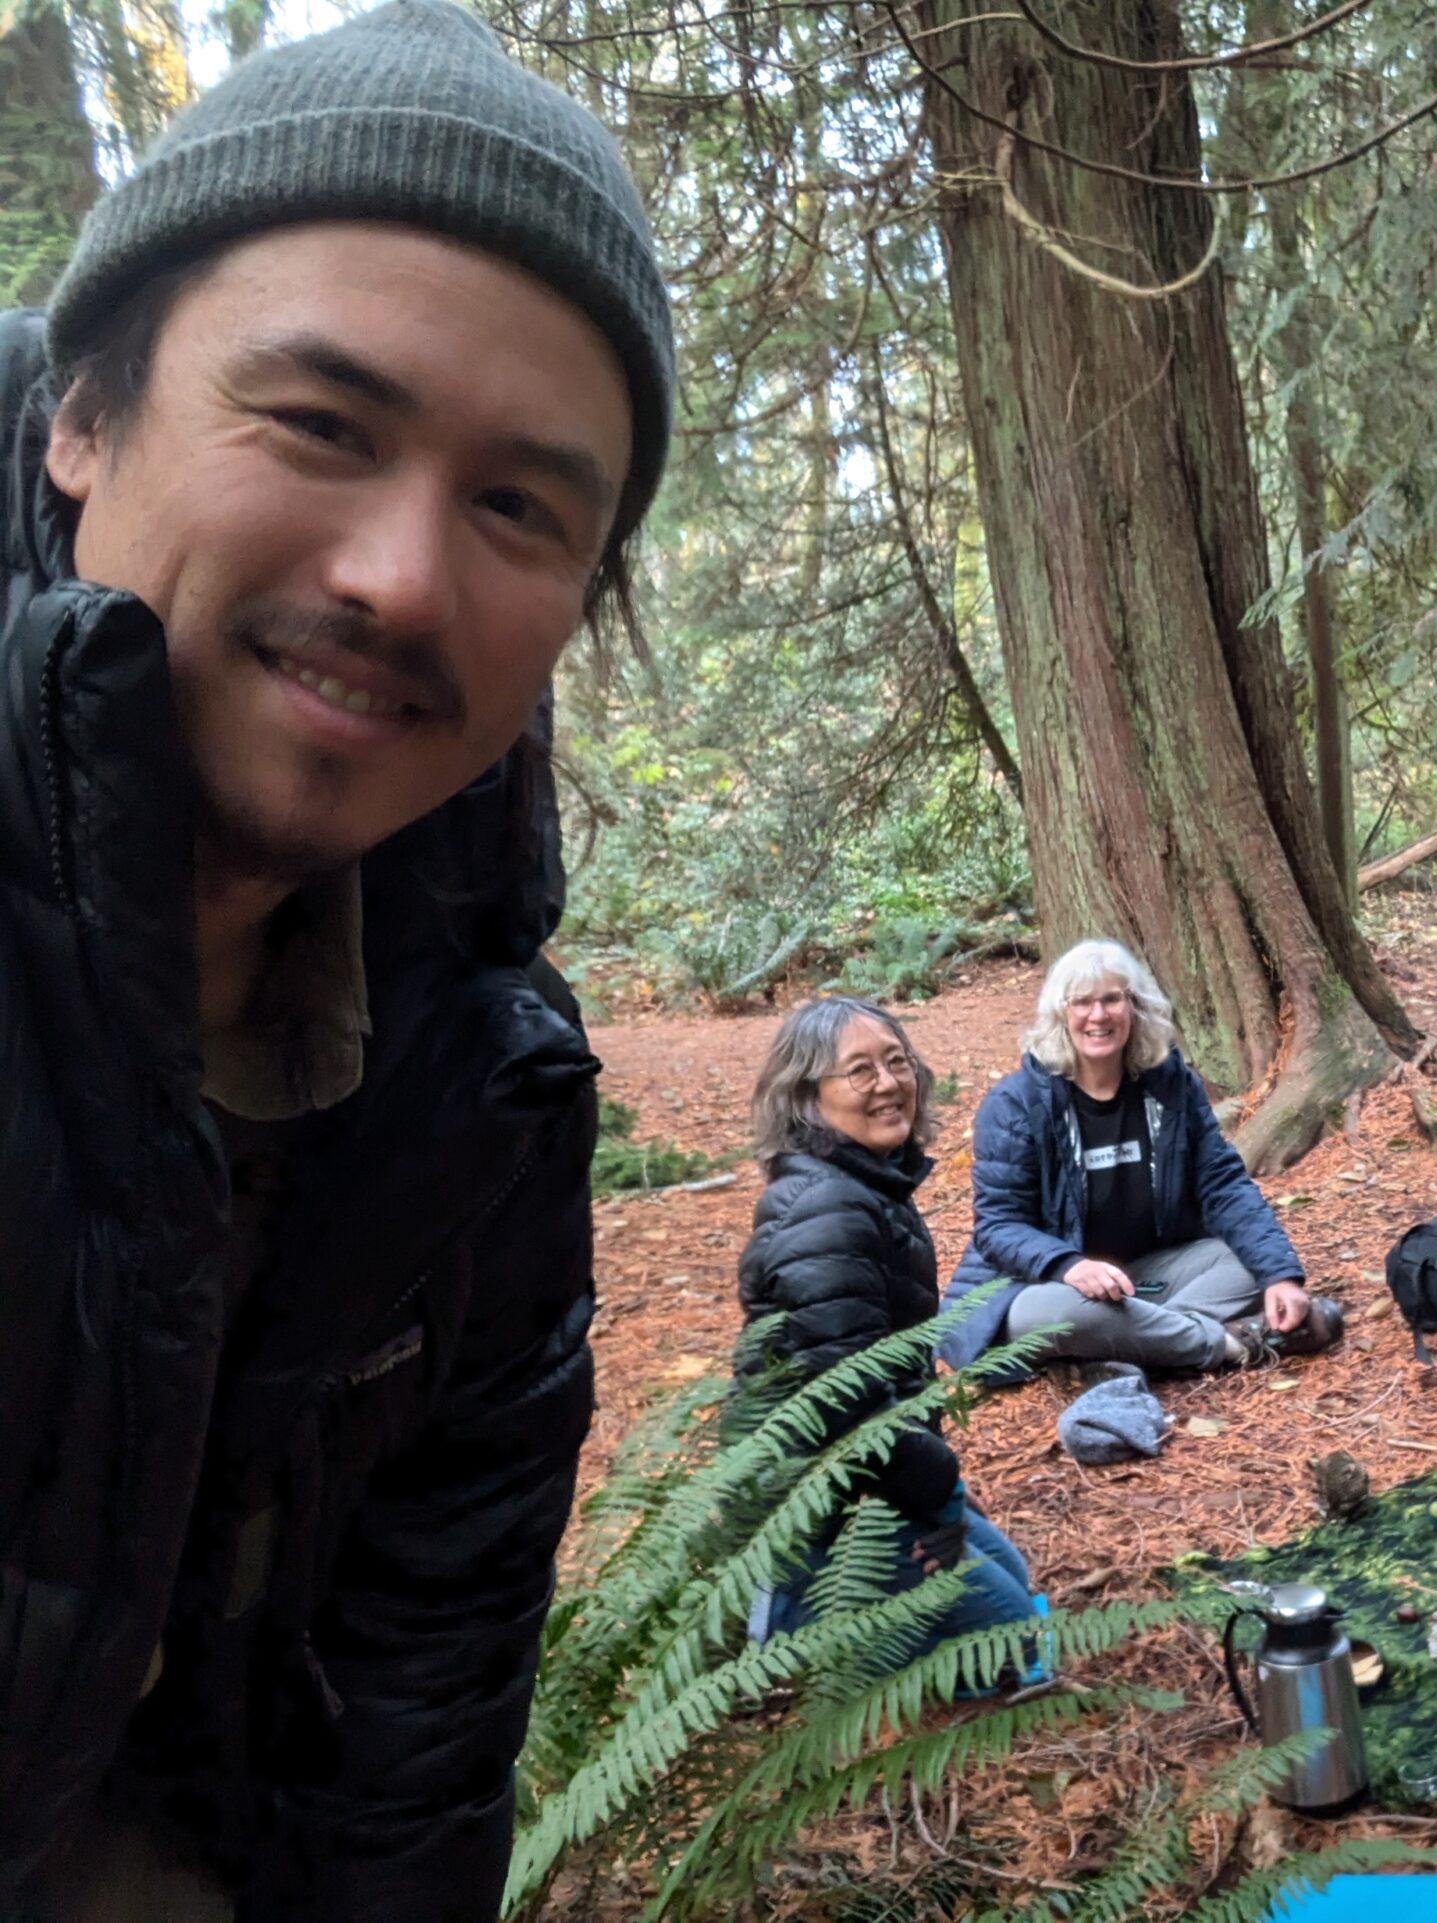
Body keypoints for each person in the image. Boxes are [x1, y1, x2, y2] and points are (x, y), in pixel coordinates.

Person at [0, 4, 675, 1915]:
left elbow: (415, 1749)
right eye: (319, 424)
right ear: (82, 415)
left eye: (519, 505)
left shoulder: (484, 1104)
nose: (400, 574)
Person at [728, 998, 1039, 1650]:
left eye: (897, 1062)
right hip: (812, 1508)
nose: (889, 1083)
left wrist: (938, 1494)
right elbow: (849, 1405)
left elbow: (894, 1374)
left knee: (1017, 1582)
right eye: (859, 1070)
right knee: (1014, 1647)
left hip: (865, 1482)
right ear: (808, 1095)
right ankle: (781, 1621)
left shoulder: (868, 1186)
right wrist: (937, 1497)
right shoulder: (825, 1210)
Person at [938, 939, 1342, 1378]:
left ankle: (1130, 1353)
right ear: (1060, 1013)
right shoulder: (1015, 1104)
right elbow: (998, 1227)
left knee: (1246, 1264)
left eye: (1113, 999)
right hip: (1045, 1286)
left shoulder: (1169, 1085)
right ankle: (1228, 1344)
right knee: (1058, 1315)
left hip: (1147, 1278)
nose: (1099, 1015)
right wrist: (1067, 1265)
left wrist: (1280, 1275)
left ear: (1134, 1008)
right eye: (1082, 1003)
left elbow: (1222, 1184)